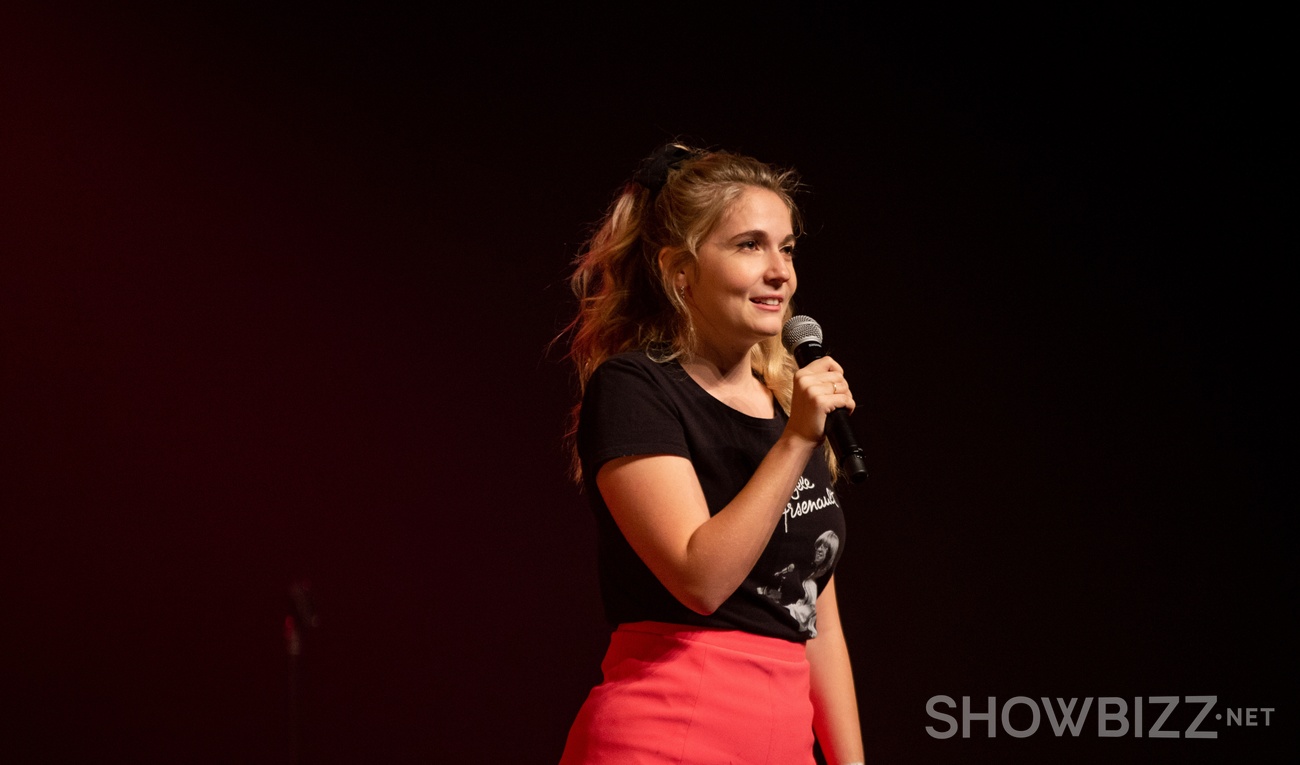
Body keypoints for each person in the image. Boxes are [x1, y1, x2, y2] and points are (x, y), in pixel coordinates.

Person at [558, 144, 864, 765]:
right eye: (750, 245)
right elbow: (700, 579)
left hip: (781, 740)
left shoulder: (784, 405)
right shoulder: (635, 388)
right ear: (680, 271)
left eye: (787, 248)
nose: (781, 270)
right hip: (669, 731)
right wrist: (799, 440)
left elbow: (816, 618)